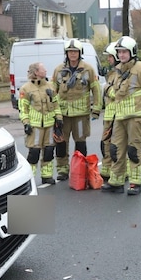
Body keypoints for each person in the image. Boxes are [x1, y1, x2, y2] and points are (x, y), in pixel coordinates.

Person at [102, 36, 141, 195]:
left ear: (132, 52)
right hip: (120, 117)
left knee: (134, 150)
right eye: (119, 52)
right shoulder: (119, 70)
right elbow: (117, 92)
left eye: (124, 51)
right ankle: (116, 182)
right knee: (116, 149)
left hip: (136, 117)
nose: (122, 55)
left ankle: (135, 183)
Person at [51, 39, 101, 181]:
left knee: (80, 142)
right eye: (70, 52)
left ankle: (79, 168)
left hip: (81, 114)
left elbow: (96, 89)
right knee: (60, 142)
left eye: (75, 52)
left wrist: (96, 108)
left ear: (80, 53)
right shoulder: (58, 70)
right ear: (66, 54)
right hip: (62, 115)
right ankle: (62, 170)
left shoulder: (88, 69)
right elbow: (52, 90)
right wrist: (53, 112)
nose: (72, 54)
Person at [17, 62, 60, 185]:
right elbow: (23, 108)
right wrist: (26, 123)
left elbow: (56, 103)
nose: (46, 70)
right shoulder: (26, 89)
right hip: (35, 126)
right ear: (36, 72)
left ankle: (47, 176)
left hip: (50, 124)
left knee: (49, 150)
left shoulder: (51, 86)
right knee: (34, 153)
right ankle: (29, 178)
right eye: (43, 69)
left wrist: (59, 118)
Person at [99, 42, 119, 181]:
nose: (108, 59)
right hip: (109, 115)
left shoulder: (121, 74)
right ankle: (106, 171)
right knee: (105, 144)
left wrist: (106, 88)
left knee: (117, 146)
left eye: (110, 57)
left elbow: (117, 93)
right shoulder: (112, 73)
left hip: (117, 115)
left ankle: (121, 173)